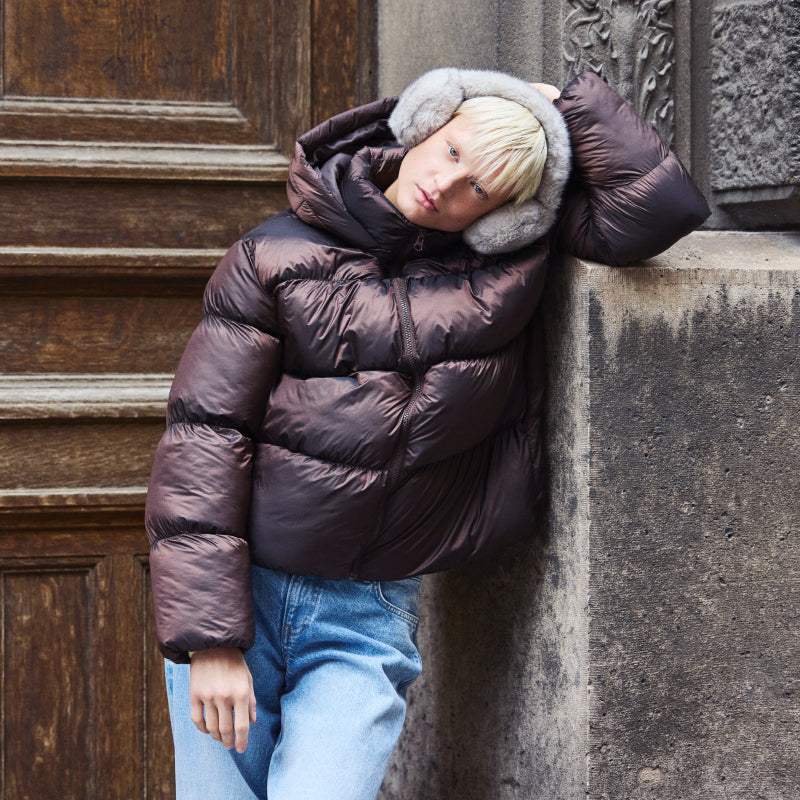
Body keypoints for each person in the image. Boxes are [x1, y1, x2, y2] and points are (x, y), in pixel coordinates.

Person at [145, 67, 709, 799]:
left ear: (505, 216)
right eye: (451, 151)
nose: (447, 185)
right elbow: (204, 436)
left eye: (480, 188)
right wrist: (211, 639)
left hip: (365, 614)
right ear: (423, 125)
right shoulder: (270, 256)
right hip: (242, 593)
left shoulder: (506, 266)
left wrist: (565, 102)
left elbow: (658, 210)